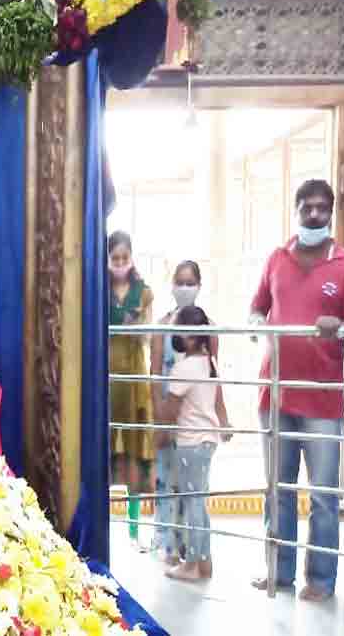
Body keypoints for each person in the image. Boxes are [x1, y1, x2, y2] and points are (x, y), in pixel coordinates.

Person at [248, 179, 344, 601]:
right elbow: (257, 307)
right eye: (307, 208)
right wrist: (255, 325)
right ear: (296, 210)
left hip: (321, 401)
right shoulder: (277, 259)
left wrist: (342, 327)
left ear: (331, 213)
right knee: (277, 490)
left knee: (323, 496)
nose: (314, 215)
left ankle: (320, 580)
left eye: (322, 208)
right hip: (275, 395)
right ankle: (277, 574)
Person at [148, 260, 221, 566]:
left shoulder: (208, 329)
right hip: (168, 414)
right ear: (172, 285)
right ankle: (168, 546)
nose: (185, 288)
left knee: (194, 489)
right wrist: (159, 422)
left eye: (190, 282)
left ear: (199, 285)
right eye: (180, 281)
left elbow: (214, 377)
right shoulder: (162, 327)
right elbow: (153, 375)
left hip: (195, 422)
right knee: (167, 481)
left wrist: (221, 416)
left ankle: (194, 551)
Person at [155, 305, 232, 581]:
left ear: (190, 336)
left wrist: (153, 397)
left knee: (194, 504)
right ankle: (204, 562)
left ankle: (193, 565)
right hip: (206, 440)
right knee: (198, 502)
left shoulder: (184, 367)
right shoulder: (207, 363)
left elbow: (170, 410)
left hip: (190, 442)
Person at [108, 231, 155, 503]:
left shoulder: (144, 293)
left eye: (124, 257)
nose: (120, 262)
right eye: (115, 258)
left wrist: (134, 326)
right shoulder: (98, 291)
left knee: (135, 449)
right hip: (107, 375)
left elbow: (147, 337)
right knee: (109, 446)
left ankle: (135, 526)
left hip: (134, 373)